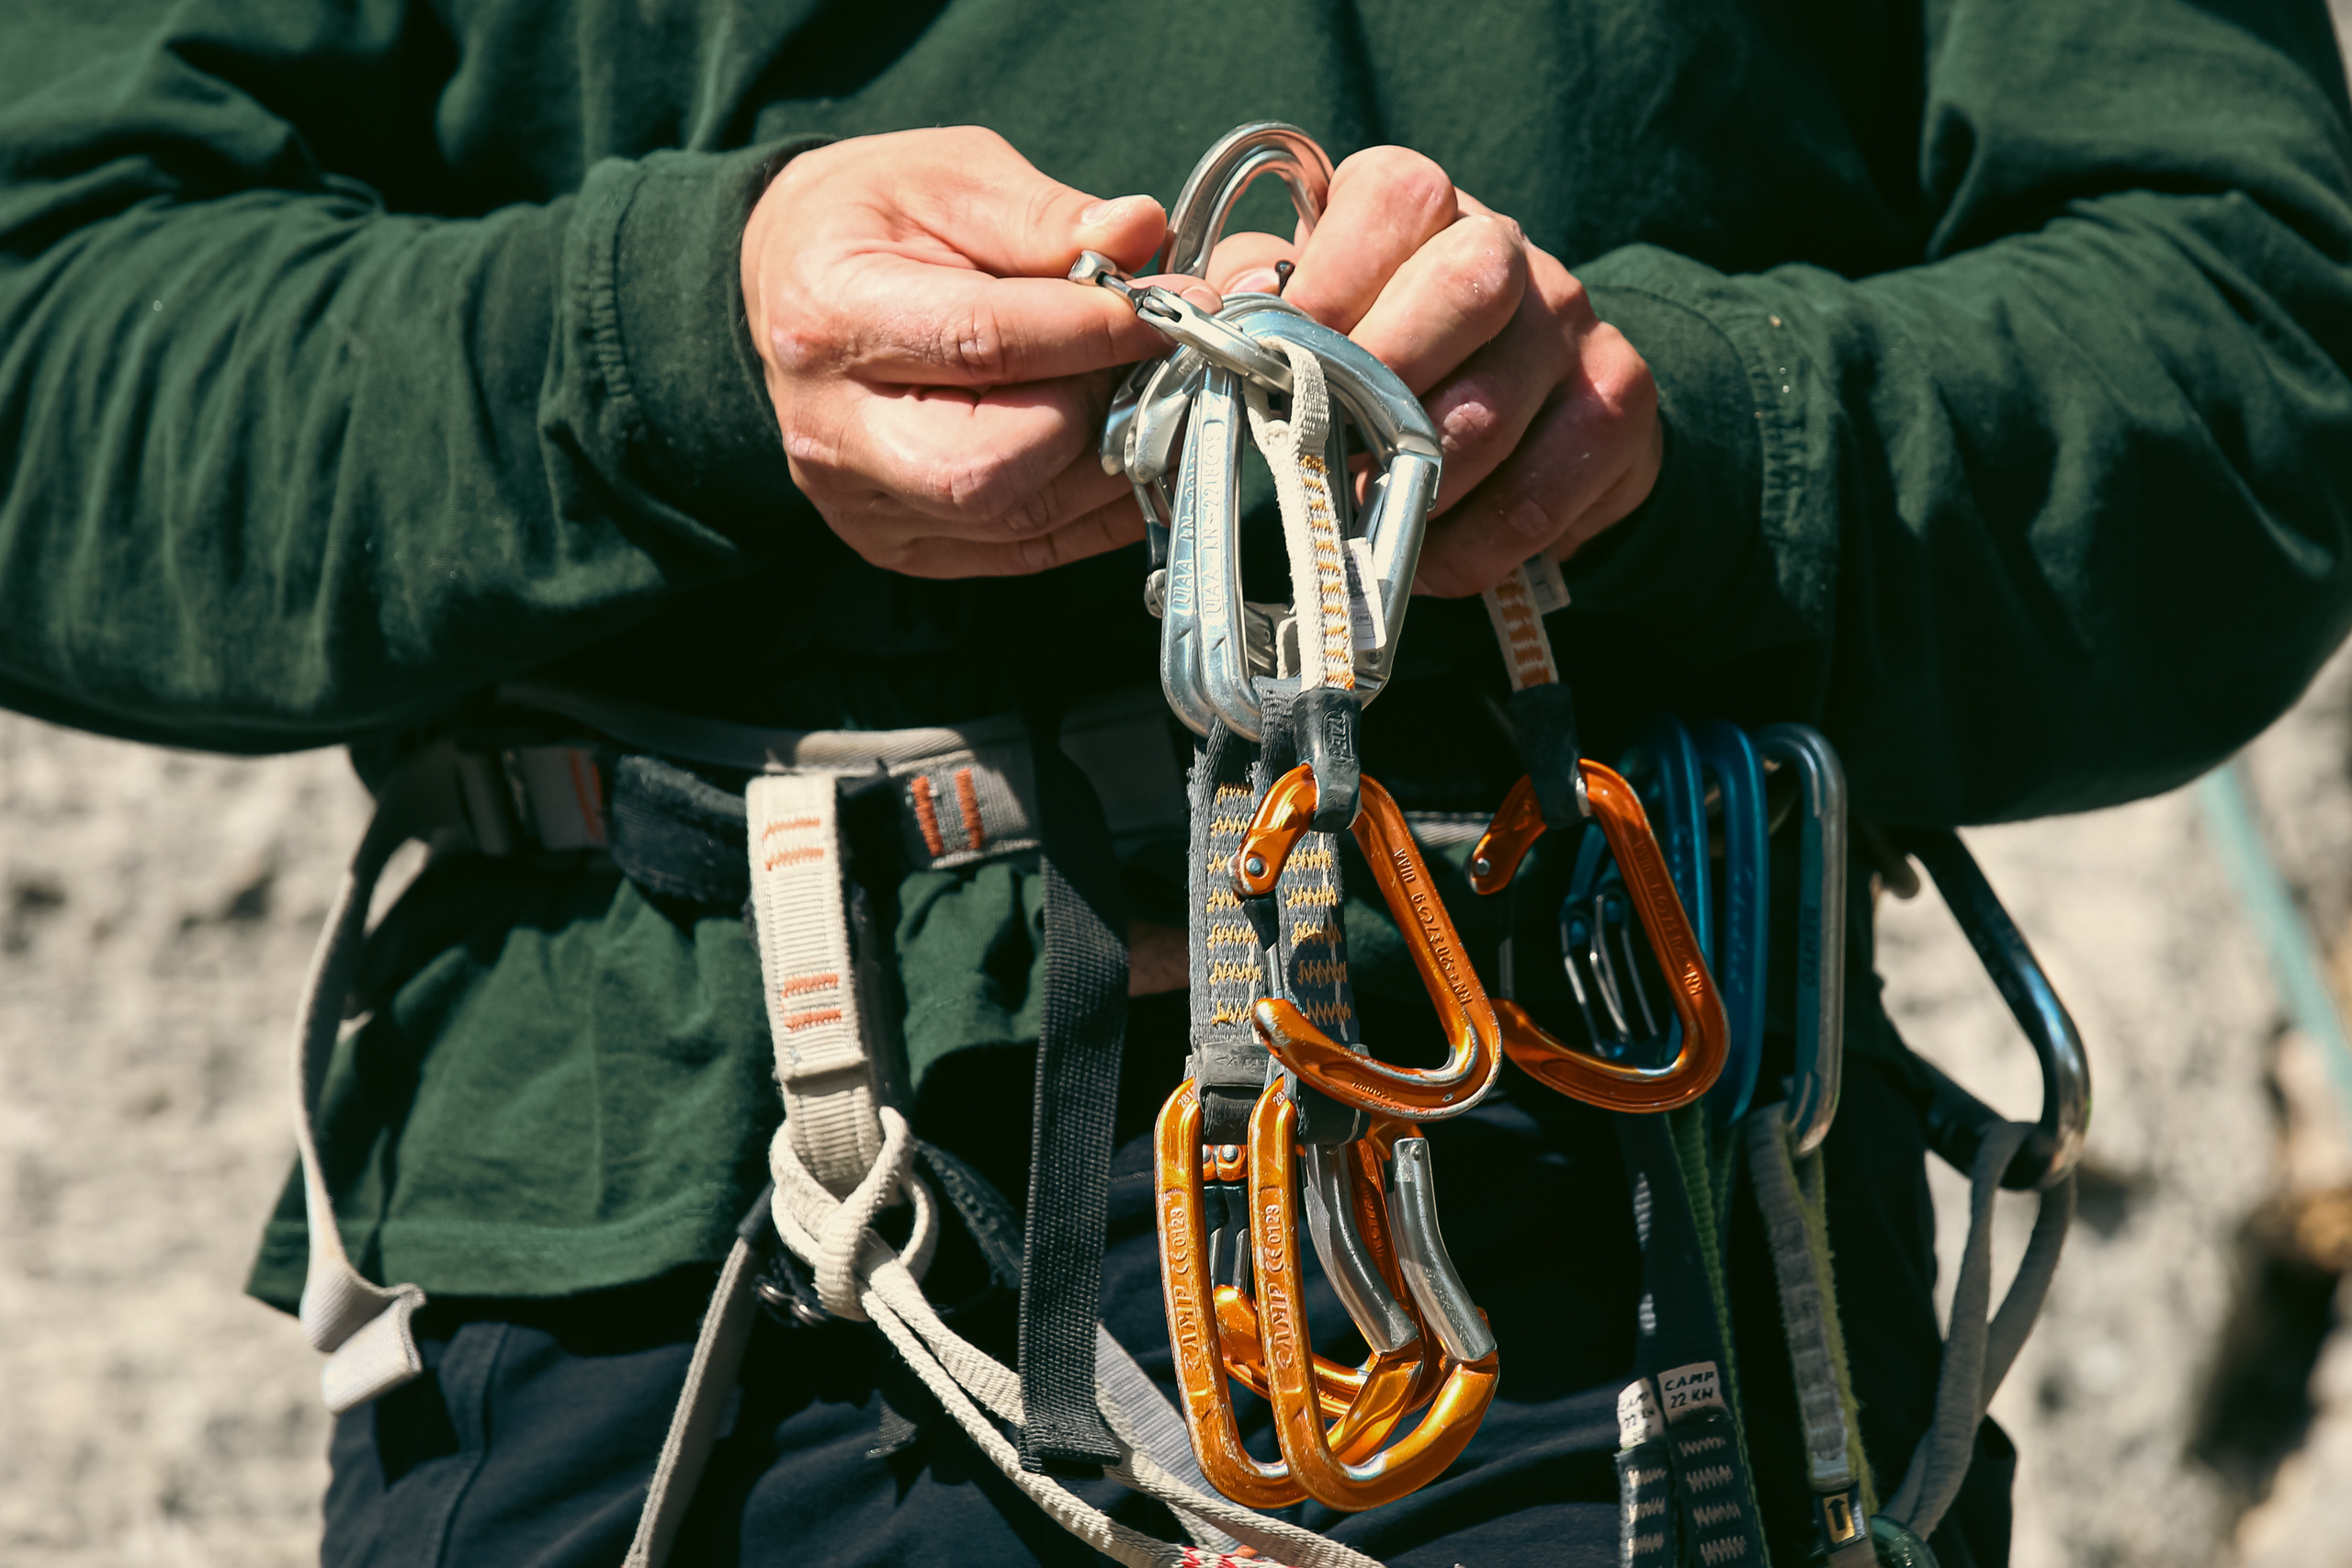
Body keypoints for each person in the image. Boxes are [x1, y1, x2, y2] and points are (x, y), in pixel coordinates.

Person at [5, 0, 2351, 1563]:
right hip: (654, 1287)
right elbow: (52, 335)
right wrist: (657, 351)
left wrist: (1668, 425)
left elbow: (2243, 364)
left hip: (1597, 1242)